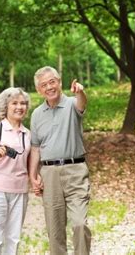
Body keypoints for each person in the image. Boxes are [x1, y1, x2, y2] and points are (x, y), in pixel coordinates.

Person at [29, 66, 91, 255]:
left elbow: (82, 104)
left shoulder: (72, 104)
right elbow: (35, 148)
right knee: (55, 231)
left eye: (52, 82)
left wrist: (80, 91)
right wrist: (33, 175)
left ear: (59, 82)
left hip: (75, 171)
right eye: (44, 85)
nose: (49, 87)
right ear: (39, 90)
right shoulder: (37, 114)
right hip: (49, 174)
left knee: (80, 223)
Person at [0, 87, 31, 255]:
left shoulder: (28, 134)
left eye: (23, 103)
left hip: (20, 190)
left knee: (14, 238)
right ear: (6, 106)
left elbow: (31, 162)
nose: (19, 107)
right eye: (14, 103)